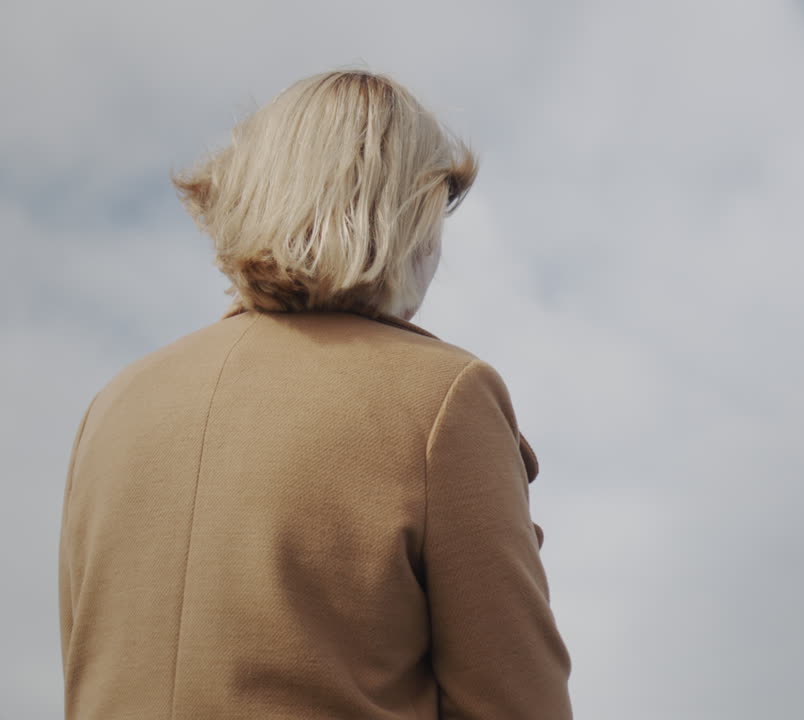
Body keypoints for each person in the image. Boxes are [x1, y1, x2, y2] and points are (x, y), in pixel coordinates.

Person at [58, 70, 572, 719]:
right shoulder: (444, 398)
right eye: (435, 208)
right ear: (402, 215)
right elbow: (517, 704)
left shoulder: (113, 407)